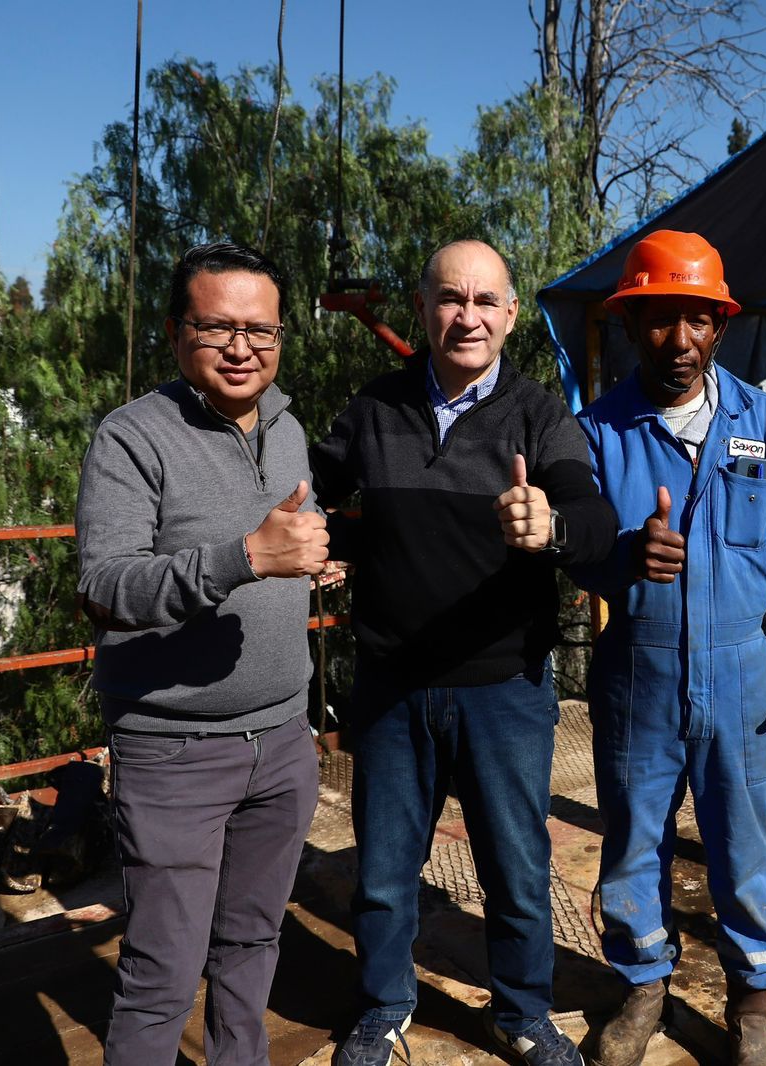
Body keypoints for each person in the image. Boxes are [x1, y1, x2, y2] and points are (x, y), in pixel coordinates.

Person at [312, 239, 618, 1066]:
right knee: (382, 868)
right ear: (423, 308)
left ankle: (521, 1012)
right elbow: (310, 499)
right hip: (392, 684)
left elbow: (595, 520)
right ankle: (382, 1006)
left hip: (502, 688)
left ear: (511, 316)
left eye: (487, 301)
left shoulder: (538, 415)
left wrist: (550, 526)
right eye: (452, 298)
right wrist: (326, 538)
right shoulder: (372, 411)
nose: (468, 316)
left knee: (516, 866)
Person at [568, 230, 766, 1066]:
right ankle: (643, 987)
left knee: (746, 843)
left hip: (743, 674)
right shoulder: (597, 432)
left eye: (694, 321)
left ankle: (754, 1003)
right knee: (633, 840)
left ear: (720, 325)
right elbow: (564, 545)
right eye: (657, 321)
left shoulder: (764, 425)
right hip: (636, 675)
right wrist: (619, 558)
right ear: (629, 323)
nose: (676, 342)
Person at [76, 241, 327, 1066]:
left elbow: (289, 535)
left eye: (261, 329)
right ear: (177, 332)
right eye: (216, 326)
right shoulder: (132, 437)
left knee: (253, 947)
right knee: (161, 974)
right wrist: (245, 558)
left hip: (284, 742)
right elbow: (105, 586)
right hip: (175, 751)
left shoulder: (287, 428)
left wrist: (310, 559)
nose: (241, 347)